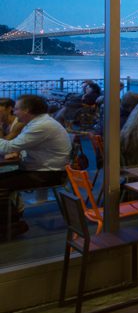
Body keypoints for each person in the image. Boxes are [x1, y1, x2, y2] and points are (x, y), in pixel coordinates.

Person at [0, 95, 71, 237]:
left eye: (17, 109)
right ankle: (13, 219)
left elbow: (8, 147)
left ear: (27, 110)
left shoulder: (41, 126)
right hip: (41, 169)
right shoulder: (38, 123)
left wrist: (15, 150)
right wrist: (19, 151)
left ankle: (11, 225)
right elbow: (19, 146)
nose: (14, 112)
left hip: (48, 174)